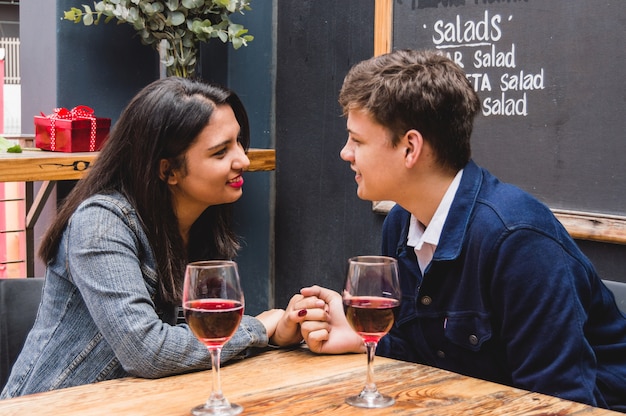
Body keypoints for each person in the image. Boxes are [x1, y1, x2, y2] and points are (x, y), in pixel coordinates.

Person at [298, 49, 626, 412]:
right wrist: (361, 338)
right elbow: (426, 353)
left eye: (357, 140)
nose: (346, 153)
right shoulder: (401, 222)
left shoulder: (518, 240)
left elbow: (559, 403)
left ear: (410, 147)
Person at [1, 77, 309, 398]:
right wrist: (258, 328)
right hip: (50, 406)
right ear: (168, 171)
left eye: (238, 142)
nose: (243, 160)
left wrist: (277, 333)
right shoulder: (102, 223)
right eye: (220, 152)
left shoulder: (198, 222)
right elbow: (147, 350)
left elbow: (188, 341)